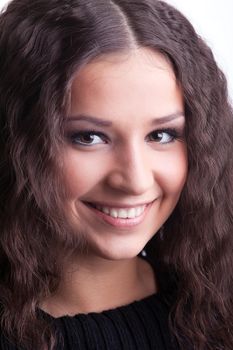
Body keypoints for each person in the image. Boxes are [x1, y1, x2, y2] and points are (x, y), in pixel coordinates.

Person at [0, 0, 232, 349]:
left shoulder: (221, 304)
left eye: (161, 135)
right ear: (14, 141)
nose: (135, 180)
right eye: (88, 137)